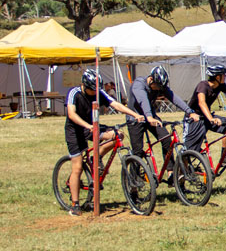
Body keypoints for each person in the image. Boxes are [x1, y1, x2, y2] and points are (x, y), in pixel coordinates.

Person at [64, 69, 144, 216]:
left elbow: (115, 104)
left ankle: (97, 156)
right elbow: (71, 114)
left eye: (96, 90)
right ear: (84, 85)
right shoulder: (74, 93)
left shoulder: (98, 92)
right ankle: (75, 205)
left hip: (92, 126)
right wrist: (87, 126)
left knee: (118, 135)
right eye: (91, 90)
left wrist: (134, 114)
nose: (94, 93)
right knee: (78, 167)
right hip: (75, 131)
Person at [127, 66, 200, 181]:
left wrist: (190, 112)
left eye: (161, 87)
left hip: (151, 117)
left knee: (167, 140)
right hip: (135, 118)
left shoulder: (160, 85)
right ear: (151, 79)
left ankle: (170, 172)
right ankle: (133, 180)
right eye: (157, 86)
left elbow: (174, 98)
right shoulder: (139, 84)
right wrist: (149, 116)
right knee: (137, 151)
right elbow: (143, 100)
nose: (159, 89)